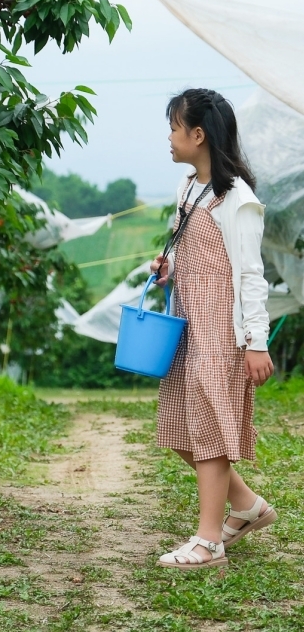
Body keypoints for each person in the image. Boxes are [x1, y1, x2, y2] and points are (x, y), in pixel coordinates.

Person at [149, 88, 276, 570]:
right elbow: (193, 251)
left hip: (222, 332)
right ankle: (245, 508)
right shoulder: (190, 188)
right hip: (188, 326)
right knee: (182, 425)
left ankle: (209, 541)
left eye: (174, 127)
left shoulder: (237, 199)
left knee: (208, 432)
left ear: (197, 135)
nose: (169, 136)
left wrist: (255, 343)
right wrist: (170, 265)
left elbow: (249, 275)